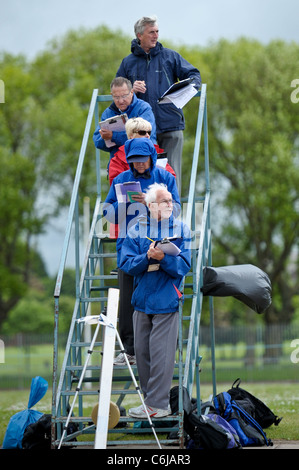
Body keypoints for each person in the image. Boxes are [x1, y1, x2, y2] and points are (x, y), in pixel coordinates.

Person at [103, 138, 180, 366]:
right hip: (130, 247)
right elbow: (107, 214)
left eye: (143, 160)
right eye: (134, 161)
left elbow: (176, 208)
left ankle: (164, 350)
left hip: (161, 245)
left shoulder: (164, 177)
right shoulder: (121, 179)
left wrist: (153, 205)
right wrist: (124, 203)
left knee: (163, 297)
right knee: (128, 300)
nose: (139, 165)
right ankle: (130, 350)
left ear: (151, 157)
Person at [119, 183, 191, 418]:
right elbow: (126, 263)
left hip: (166, 301)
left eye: (171, 200)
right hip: (141, 302)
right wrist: (147, 258)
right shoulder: (135, 229)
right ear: (150, 206)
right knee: (142, 356)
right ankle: (150, 404)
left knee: (161, 355)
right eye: (164, 201)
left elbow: (183, 266)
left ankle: (159, 405)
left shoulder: (182, 229)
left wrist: (163, 259)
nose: (170, 204)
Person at [116, 16, 201, 194]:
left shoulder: (170, 56)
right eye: (151, 32)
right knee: (143, 174)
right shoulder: (127, 63)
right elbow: (118, 94)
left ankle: (172, 215)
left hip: (171, 125)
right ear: (140, 35)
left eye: (157, 32)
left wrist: (183, 93)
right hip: (141, 131)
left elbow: (194, 76)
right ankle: (146, 216)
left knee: (172, 174)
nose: (156, 36)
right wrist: (132, 90)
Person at [93, 77, 157, 160]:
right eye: (116, 97)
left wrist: (113, 136)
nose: (120, 101)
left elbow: (142, 136)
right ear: (111, 95)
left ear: (132, 92)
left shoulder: (143, 108)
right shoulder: (108, 113)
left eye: (124, 96)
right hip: (118, 163)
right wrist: (104, 136)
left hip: (143, 160)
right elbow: (97, 141)